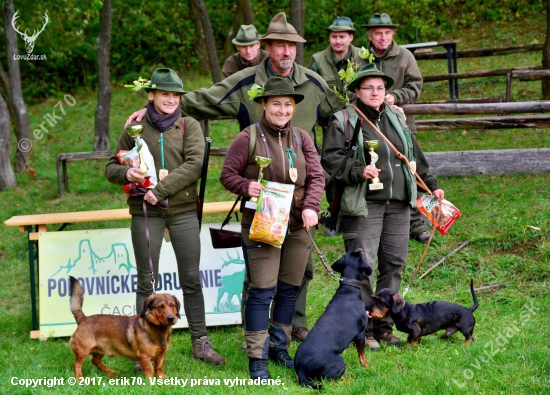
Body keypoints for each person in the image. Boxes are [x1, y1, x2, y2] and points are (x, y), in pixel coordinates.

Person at [126, 12, 344, 344]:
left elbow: (340, 111)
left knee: (302, 267)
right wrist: (161, 107)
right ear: (267, 47)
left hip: (299, 195)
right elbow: (206, 99)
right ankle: (252, 331)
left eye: (292, 46)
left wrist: (383, 105)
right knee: (258, 268)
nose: (286, 52)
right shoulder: (246, 82)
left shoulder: (314, 84)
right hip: (258, 190)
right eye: (279, 45)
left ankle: (293, 324)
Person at [105, 68, 226, 366]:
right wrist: (127, 172)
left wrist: (160, 190)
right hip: (145, 213)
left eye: (175, 95)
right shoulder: (135, 126)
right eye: (164, 94)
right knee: (146, 282)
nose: (171, 100)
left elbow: (195, 164)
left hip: (183, 211)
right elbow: (110, 166)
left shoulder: (189, 125)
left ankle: (200, 341)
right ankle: (142, 348)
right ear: (152, 95)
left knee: (191, 279)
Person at [321, 64, 444, 351]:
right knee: (364, 269)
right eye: (368, 87)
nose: (375, 92)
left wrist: (430, 184)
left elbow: (413, 155)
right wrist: (358, 170)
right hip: (364, 206)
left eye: (380, 87)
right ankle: (363, 331)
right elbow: (330, 159)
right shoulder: (344, 120)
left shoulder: (398, 117)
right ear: (356, 91)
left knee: (394, 265)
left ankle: (385, 326)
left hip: (399, 205)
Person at [220, 76, 325, 379]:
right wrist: (247, 185)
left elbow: (317, 177)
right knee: (262, 291)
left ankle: (280, 348)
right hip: (262, 223)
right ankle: (257, 358)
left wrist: (310, 207)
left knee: (289, 290)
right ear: (263, 105)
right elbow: (227, 175)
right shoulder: (248, 137)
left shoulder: (303, 138)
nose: (282, 110)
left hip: (297, 226)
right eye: (276, 103)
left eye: (287, 104)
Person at [362, 12, 431, 243]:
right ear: (370, 36)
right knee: (376, 170)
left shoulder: (405, 56)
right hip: (369, 126)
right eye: (378, 33)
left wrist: (395, 97)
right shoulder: (360, 58)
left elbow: (415, 86)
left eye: (387, 33)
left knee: (408, 171)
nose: (383, 37)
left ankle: (416, 222)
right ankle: (376, 220)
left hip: (401, 124)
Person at [309, 16, 367, 96]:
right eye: (334, 37)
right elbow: (310, 90)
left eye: (342, 37)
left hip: (357, 108)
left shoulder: (363, 56)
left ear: (351, 37)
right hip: (328, 108)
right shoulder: (318, 60)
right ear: (329, 38)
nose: (337, 41)